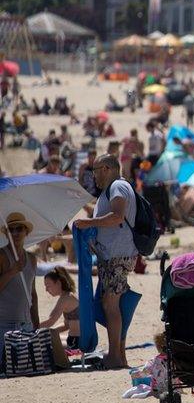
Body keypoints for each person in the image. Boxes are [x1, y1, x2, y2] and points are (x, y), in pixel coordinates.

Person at [74, 154, 139, 368]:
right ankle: (119, 354)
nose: (93, 176)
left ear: (107, 168)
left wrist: (88, 222)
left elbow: (117, 217)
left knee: (111, 304)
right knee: (113, 303)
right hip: (114, 254)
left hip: (116, 255)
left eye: (95, 170)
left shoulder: (117, 187)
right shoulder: (112, 189)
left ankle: (114, 356)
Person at [0, 213, 40, 365]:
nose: (15, 233)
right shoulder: (2, 256)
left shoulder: (32, 258)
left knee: (28, 366)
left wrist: (36, 324)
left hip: (26, 325)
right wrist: (11, 272)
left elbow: (33, 294)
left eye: (19, 229)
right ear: (6, 233)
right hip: (4, 325)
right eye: (11, 230)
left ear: (26, 232)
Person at [37, 267, 80, 350]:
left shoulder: (65, 298)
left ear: (58, 283)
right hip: (78, 338)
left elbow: (50, 321)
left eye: (48, 286)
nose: (46, 290)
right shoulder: (69, 295)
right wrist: (51, 332)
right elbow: (67, 325)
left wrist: (31, 328)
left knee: (43, 342)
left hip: (76, 342)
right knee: (48, 337)